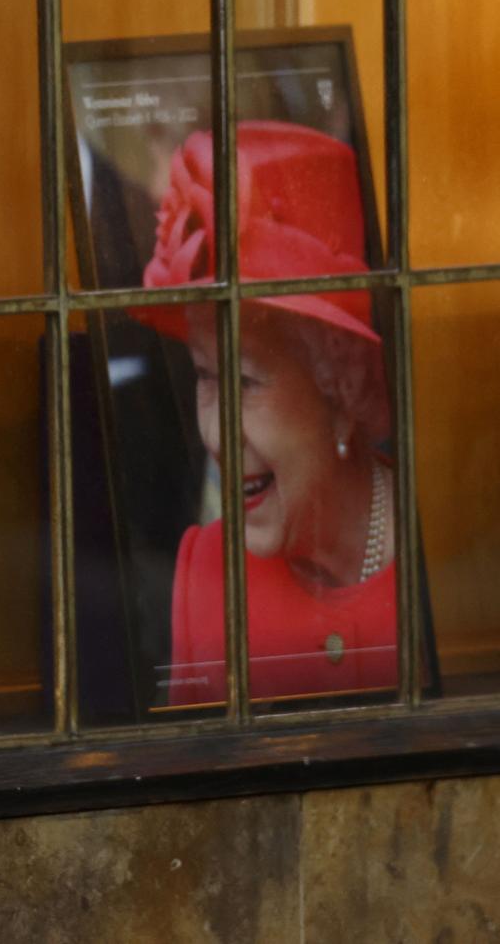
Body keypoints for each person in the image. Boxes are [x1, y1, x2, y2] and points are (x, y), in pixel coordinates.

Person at [138, 121, 397, 705]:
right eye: (206, 375)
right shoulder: (204, 570)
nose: (215, 434)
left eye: (248, 382)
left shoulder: (441, 561)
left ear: (342, 390)